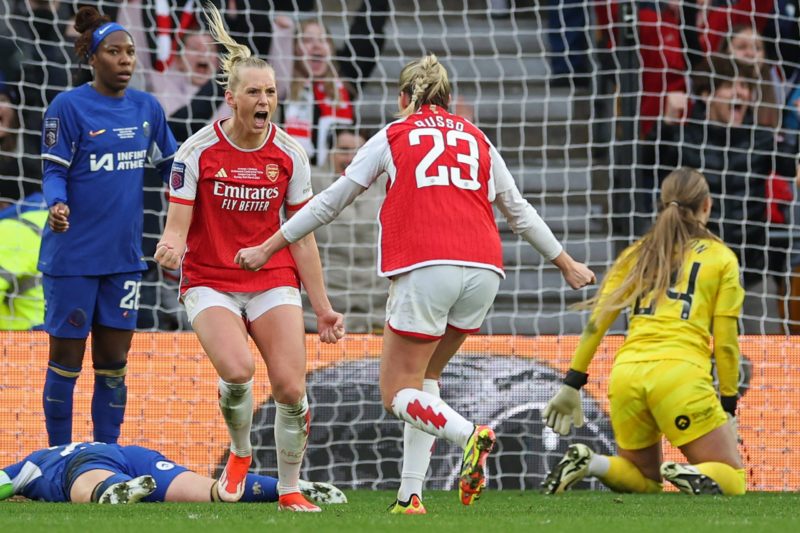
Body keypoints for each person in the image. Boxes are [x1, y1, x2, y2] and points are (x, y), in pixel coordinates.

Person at [233, 53, 595, 513]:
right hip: (485, 271)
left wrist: (268, 247)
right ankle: (410, 495)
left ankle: (469, 434)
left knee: (395, 393)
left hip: (427, 267)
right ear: (446, 100)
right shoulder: (478, 138)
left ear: (404, 98)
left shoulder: (393, 133)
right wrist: (564, 262)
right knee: (425, 379)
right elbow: (517, 210)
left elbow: (331, 202)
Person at [153, 4, 344, 512]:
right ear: (230, 98)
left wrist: (322, 306)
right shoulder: (196, 153)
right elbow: (176, 228)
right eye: (255, 92)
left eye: (272, 93)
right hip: (210, 278)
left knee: (289, 388)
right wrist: (169, 248)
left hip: (272, 277)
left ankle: (289, 488)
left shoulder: (290, 154)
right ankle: (240, 453)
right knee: (238, 372)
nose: (265, 101)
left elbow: (302, 236)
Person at [541, 167, 746, 496]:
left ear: (661, 205)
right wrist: (729, 405)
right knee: (733, 478)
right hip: (681, 375)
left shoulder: (635, 255)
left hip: (626, 377)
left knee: (645, 481)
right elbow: (725, 343)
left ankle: (590, 462)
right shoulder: (721, 258)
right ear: (706, 205)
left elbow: (598, 320)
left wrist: (572, 382)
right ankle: (688, 472)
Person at [38, 6, 177, 447]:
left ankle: (105, 454)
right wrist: (57, 205)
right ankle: (59, 453)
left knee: (114, 365)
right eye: (114, 52)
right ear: (91, 57)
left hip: (123, 260)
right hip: (73, 259)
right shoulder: (68, 106)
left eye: (130, 52)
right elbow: (53, 171)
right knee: (65, 361)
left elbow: (174, 170)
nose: (124, 60)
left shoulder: (147, 109)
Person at [640, 55, 798, 333]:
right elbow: (646, 167)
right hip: (691, 275)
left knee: (764, 356)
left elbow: (790, 164)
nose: (740, 93)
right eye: (729, 85)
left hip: (749, 272)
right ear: (706, 93)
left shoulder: (761, 138)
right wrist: (665, 122)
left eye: (746, 87)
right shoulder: (684, 136)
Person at [0, 441, 346, 505]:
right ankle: (286, 487)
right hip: (133, 455)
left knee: (86, 483)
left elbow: (4, 480)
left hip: (81, 464)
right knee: (211, 490)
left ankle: (114, 491)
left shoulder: (31, 463)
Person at [305, 127, 388, 334]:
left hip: (377, 305)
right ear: (329, 153)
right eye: (343, 150)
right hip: (324, 303)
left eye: (358, 151)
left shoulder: (387, 185)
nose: (350, 158)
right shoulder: (311, 183)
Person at [281, 20, 354, 167]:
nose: (316, 45)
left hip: (333, 179)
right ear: (294, 49)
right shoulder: (281, 89)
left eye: (323, 40)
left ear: (331, 49)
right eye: (307, 40)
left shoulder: (346, 85)